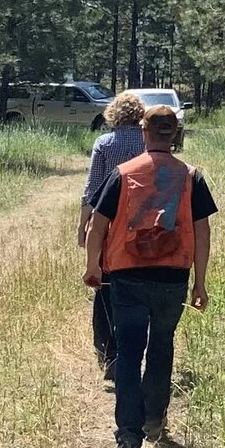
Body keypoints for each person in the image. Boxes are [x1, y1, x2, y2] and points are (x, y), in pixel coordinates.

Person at [83, 104, 215, 448]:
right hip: (173, 277)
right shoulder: (191, 177)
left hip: (127, 275)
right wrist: (200, 282)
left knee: (128, 352)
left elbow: (97, 224)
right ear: (174, 134)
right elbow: (202, 232)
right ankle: (154, 419)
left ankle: (128, 438)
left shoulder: (123, 174)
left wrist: (93, 265)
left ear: (144, 131)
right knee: (161, 346)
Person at [80, 92, 149, 381]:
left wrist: (83, 226)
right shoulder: (149, 143)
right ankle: (132, 352)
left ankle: (108, 354)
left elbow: (92, 190)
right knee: (138, 289)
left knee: (105, 288)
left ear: (113, 115)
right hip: (144, 228)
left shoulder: (104, 144)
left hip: (108, 228)